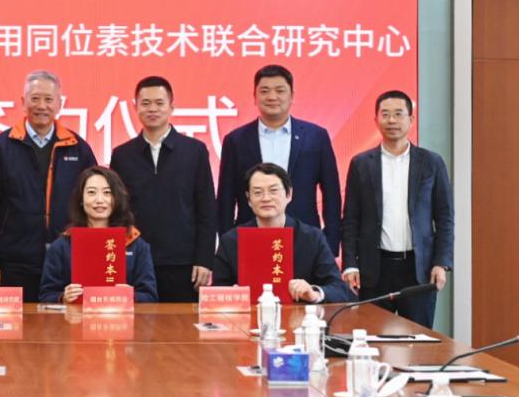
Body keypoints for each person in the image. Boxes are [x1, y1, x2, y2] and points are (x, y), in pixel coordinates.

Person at [0, 70, 97, 301]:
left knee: (66, 321)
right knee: (18, 323)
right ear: (23, 102)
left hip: (68, 259)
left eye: (49, 99)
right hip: (14, 261)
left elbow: (94, 203)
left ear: (59, 104)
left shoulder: (78, 148)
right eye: (35, 98)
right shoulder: (0, 148)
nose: (42, 106)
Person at [341, 90, 453, 327]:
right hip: (374, 270)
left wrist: (441, 262)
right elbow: (351, 218)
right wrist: (350, 263)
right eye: (385, 114)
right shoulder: (361, 164)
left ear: (411, 119)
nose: (391, 120)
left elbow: (445, 218)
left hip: (418, 269)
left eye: (398, 114)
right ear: (376, 120)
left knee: (418, 339)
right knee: (372, 337)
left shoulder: (431, 162)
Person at [110, 76, 216, 302]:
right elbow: (116, 213)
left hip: (184, 263)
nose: (152, 109)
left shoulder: (194, 151)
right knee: (136, 323)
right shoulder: (122, 155)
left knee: (182, 323)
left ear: (171, 107)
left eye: (159, 103)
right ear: (135, 107)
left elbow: (207, 210)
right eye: (145, 103)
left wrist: (204, 259)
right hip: (135, 260)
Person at [216, 64, 342, 252]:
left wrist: (330, 243)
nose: (272, 97)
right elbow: (226, 198)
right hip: (250, 239)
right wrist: (228, 244)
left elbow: (331, 193)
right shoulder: (235, 140)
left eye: (280, 90)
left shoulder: (316, 136)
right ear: (255, 97)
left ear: (292, 96)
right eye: (264, 91)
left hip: (304, 238)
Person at [213, 163, 352, 303]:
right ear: (248, 199)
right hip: (249, 315)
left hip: (300, 315)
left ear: (289, 194)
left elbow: (340, 290)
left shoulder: (312, 238)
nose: (266, 198)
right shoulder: (231, 241)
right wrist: (231, 294)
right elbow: (215, 292)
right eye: (257, 192)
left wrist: (314, 293)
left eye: (273, 191)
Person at [39, 167, 158, 303]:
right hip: (77, 316)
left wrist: (132, 296)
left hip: (121, 316)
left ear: (117, 198)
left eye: (107, 192)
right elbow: (45, 296)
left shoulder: (136, 244)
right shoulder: (61, 246)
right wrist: (63, 297)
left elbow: (150, 297)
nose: (99, 200)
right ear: (81, 199)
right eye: (91, 192)